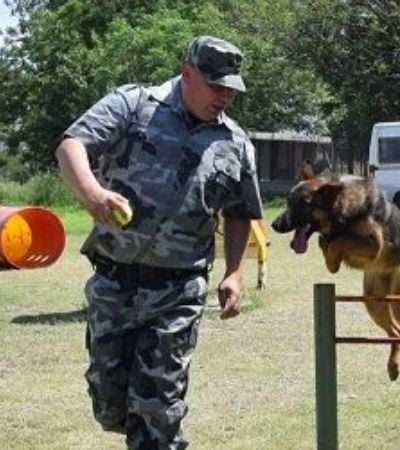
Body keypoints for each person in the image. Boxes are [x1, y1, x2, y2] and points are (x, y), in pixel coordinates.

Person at [55, 35, 263, 449]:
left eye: (231, 89)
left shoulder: (235, 143)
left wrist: (235, 273)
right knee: (111, 406)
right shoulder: (132, 106)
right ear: (187, 74)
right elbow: (71, 145)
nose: (224, 97)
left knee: (157, 407)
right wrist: (93, 194)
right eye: (216, 86)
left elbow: (241, 213)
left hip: (177, 289)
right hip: (114, 282)